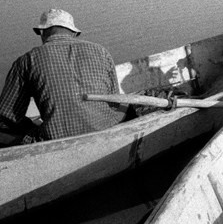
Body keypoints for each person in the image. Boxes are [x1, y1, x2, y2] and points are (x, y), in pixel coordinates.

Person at [0, 9, 128, 146]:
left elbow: (7, 115)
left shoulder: (27, 61)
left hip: (54, 139)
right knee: (125, 105)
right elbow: (114, 102)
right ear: (74, 33)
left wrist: (31, 125)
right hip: (105, 129)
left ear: (42, 33)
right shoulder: (101, 52)